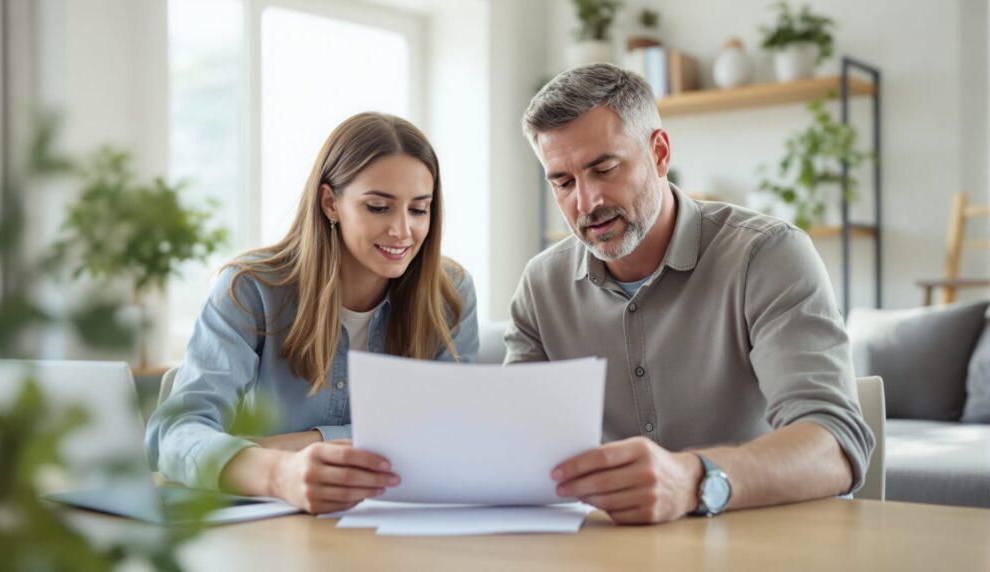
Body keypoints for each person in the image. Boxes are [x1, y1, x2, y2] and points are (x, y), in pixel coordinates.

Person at [507, 63, 874, 524]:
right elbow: (514, 442)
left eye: (604, 168)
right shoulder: (542, 287)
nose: (587, 202)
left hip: (762, 544)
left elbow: (836, 447)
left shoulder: (768, 255)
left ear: (659, 152)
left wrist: (694, 480)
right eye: (562, 182)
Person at [146, 112, 479, 515]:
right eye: (378, 207)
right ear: (329, 203)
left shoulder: (450, 293)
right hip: (266, 528)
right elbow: (173, 434)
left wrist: (307, 440)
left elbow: (452, 435)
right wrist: (278, 472)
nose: (402, 230)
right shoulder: (249, 289)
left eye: (419, 210)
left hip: (394, 526)